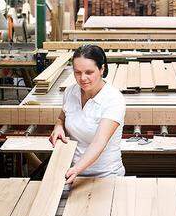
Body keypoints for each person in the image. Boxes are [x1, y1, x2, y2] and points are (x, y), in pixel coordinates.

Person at [49, 45, 126, 184]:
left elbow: (99, 142)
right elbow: (62, 118)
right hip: (73, 173)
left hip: (106, 176)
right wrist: (58, 128)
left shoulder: (113, 99)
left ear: (102, 69)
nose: (82, 78)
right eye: (77, 72)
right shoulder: (70, 92)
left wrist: (76, 169)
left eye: (89, 72)